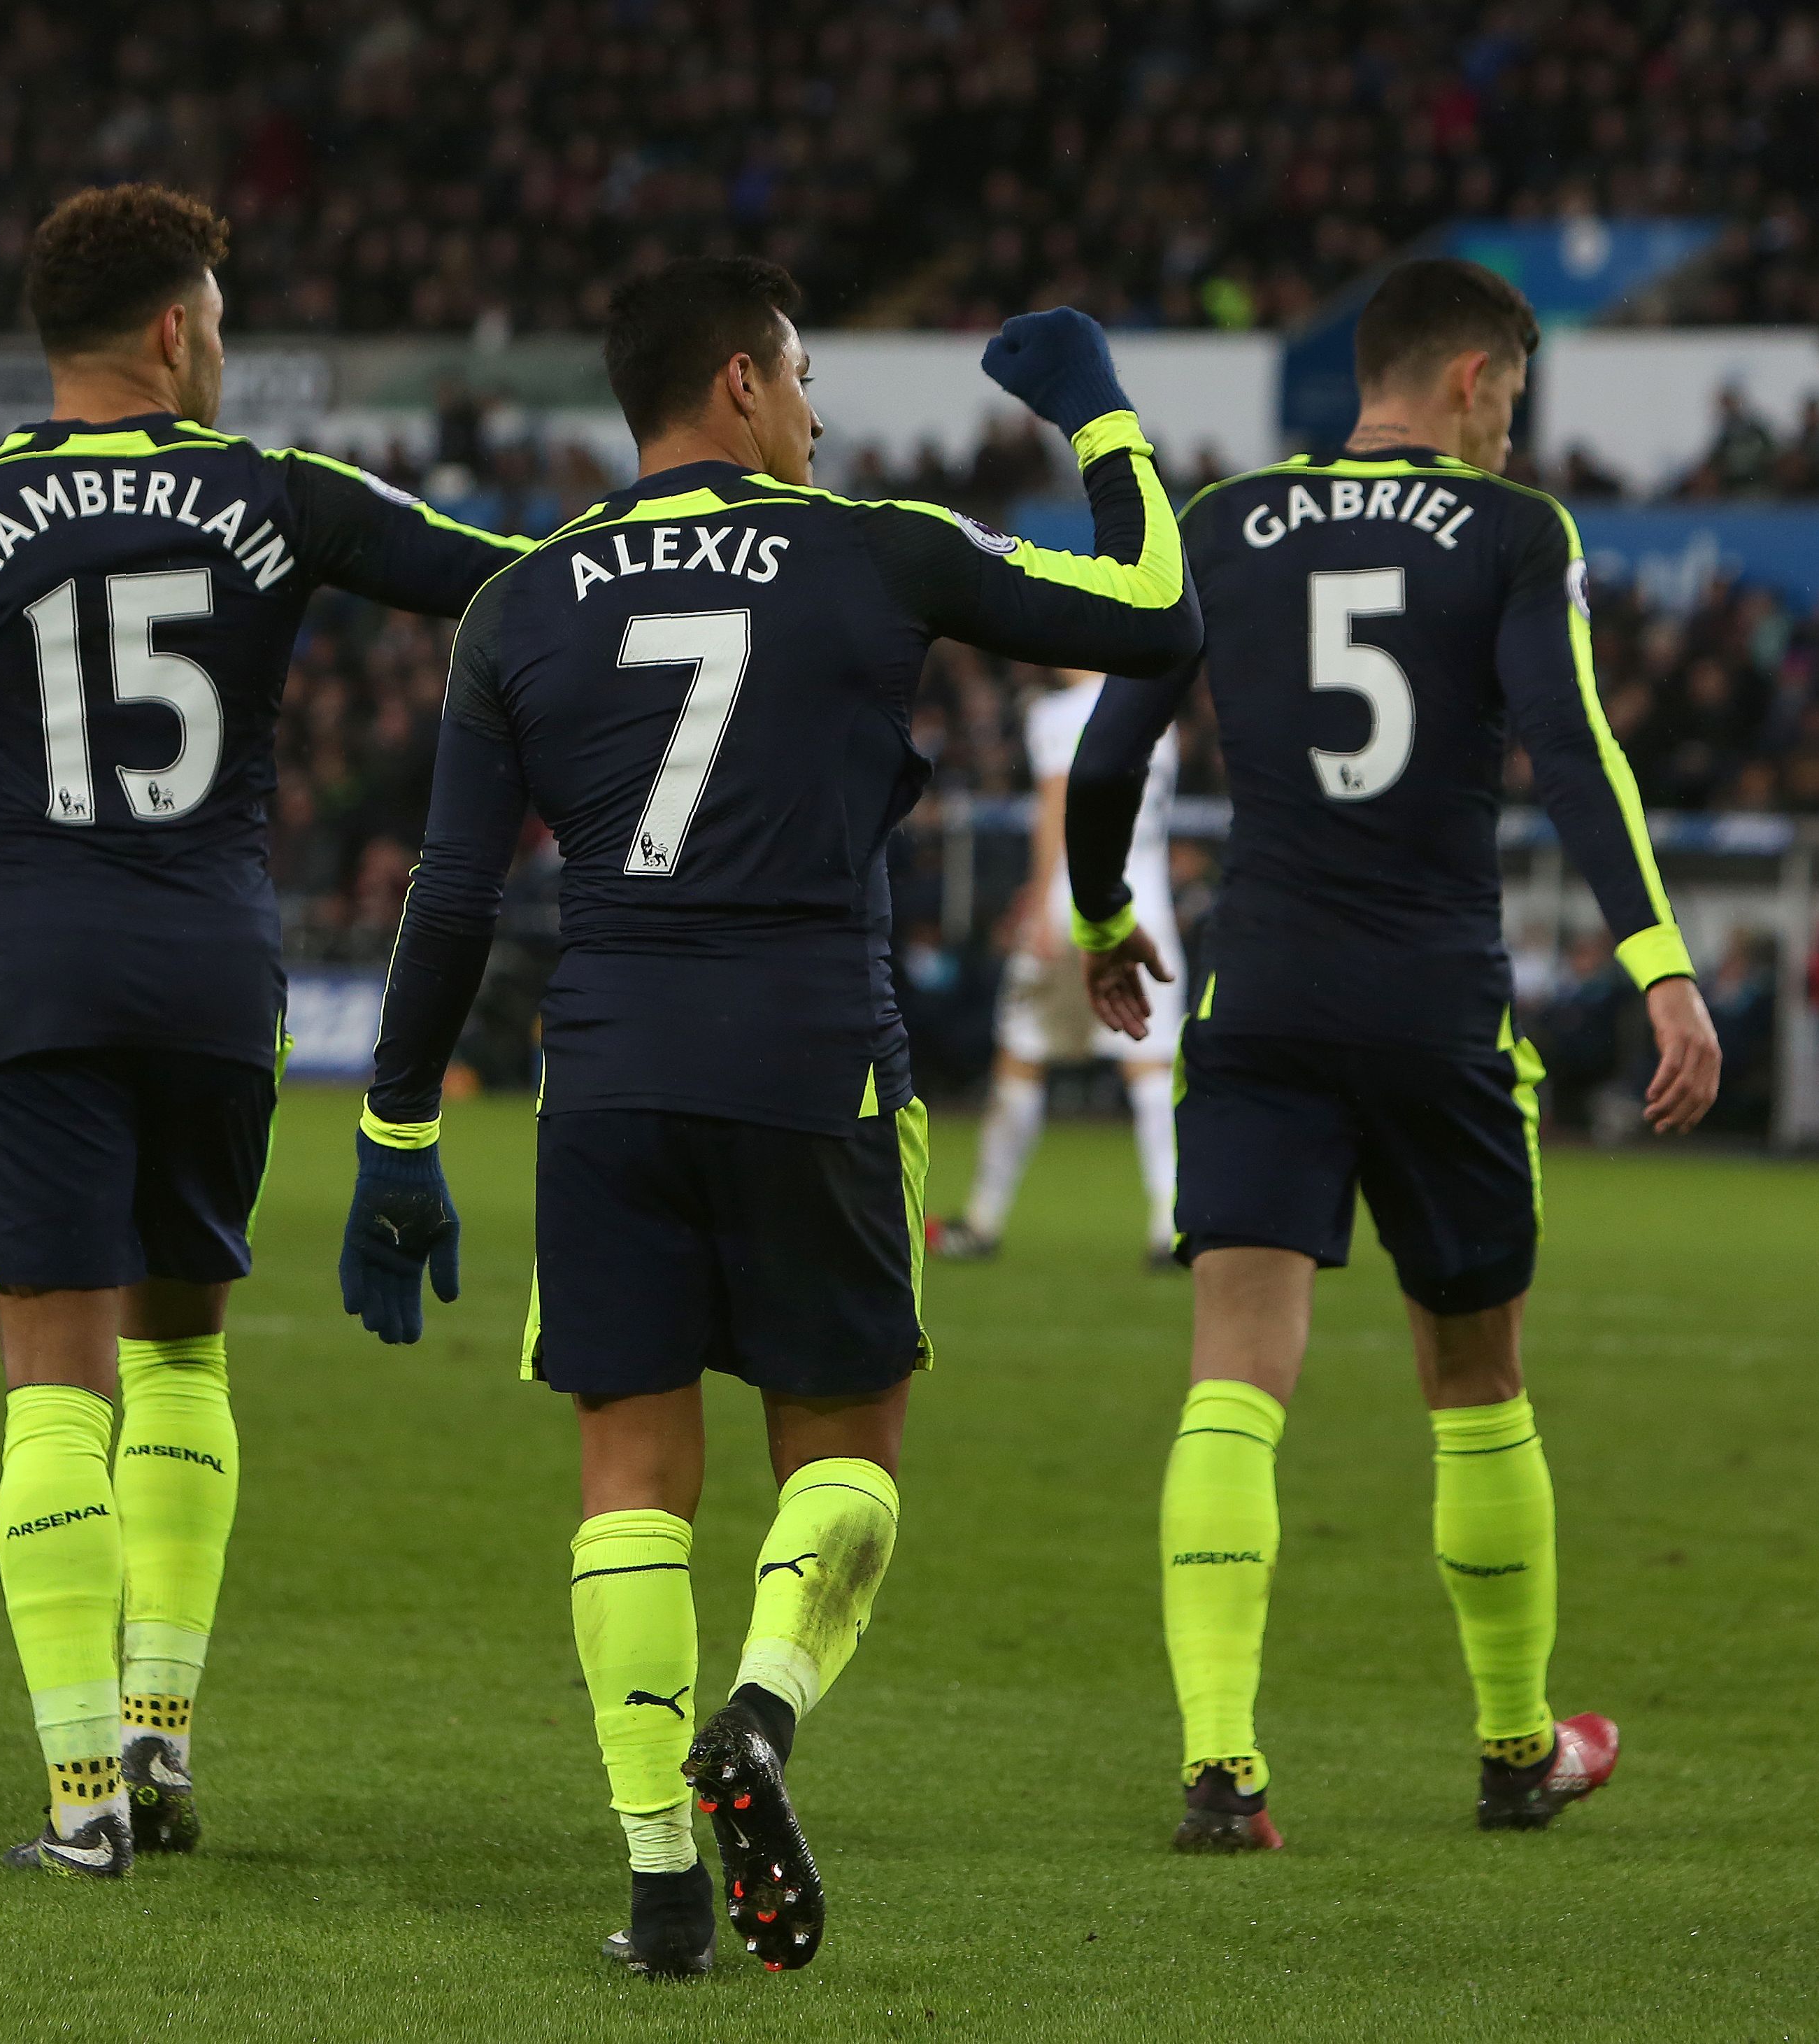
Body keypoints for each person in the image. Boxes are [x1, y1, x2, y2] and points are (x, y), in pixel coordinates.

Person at [341, 260, 1199, 1978]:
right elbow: (1161, 612)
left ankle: (662, 1890)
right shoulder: (877, 545)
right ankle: (758, 1711)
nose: (818, 411)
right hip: (815, 1052)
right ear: (736, 382)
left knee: (627, 1481)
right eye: (801, 376)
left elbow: (449, 893)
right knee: (851, 1458)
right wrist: (1098, 408)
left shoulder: (524, 597)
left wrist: (396, 1134)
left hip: (606, 1067)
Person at [0, 185, 527, 1878]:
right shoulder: (280, 495)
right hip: (218, 974)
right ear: (179, 332)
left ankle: (77, 1801)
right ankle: (161, 1731)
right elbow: (498, 581)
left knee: (53, 1373)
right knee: (184, 1345)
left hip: (37, 969)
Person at [1064, 257, 1721, 1854]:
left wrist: (1100, 926)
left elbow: (1107, 754)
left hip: (1262, 985)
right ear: (1472, 379)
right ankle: (1513, 1748)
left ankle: (1222, 1769)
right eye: (1513, 394)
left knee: (1234, 1377)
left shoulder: (1220, 520)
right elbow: (1571, 752)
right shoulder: (1513, 532)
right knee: (1477, 1380)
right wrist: (1661, 968)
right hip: (1435, 999)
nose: (1513, 426)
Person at [933, 664, 1183, 1265]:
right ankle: (1170, 1225)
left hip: (1074, 902)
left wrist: (1041, 900)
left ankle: (984, 1219)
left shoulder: (1059, 713)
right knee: (1150, 1068)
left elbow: (1058, 808)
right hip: (1145, 902)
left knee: (1021, 1057)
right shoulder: (1154, 704)